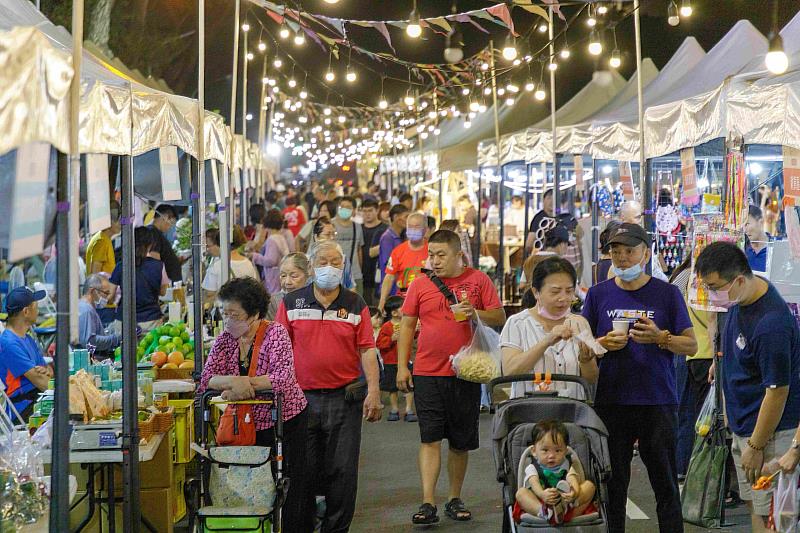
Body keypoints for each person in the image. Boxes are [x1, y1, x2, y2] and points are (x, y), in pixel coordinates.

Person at [581, 222, 696, 533]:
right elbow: (583, 344)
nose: (622, 258)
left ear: (646, 253)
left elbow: (692, 344)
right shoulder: (597, 295)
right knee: (613, 485)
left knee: (665, 485)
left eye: (629, 251)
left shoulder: (667, 294)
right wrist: (600, 345)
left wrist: (662, 338)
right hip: (612, 400)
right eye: (616, 252)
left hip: (656, 401)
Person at [397, 229, 506, 525]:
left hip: (467, 372)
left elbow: (499, 316)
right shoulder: (420, 284)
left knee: (460, 440)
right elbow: (407, 326)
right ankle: (427, 501)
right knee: (429, 437)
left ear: (459, 255)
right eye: (431, 255)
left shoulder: (479, 281)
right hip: (427, 371)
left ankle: (454, 498)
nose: (434, 260)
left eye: (441, 255)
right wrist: (401, 366)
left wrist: (475, 313)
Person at [276, 240, 383, 533]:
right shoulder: (291, 303)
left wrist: (374, 391)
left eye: (336, 262)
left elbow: (367, 349)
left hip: (344, 399)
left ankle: (336, 529)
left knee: (342, 470)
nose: (330, 267)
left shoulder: (355, 303)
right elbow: (281, 351)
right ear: (312, 266)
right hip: (300, 400)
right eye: (324, 261)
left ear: (344, 266)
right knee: (303, 471)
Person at [695, 242, 800, 533]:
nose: (712, 294)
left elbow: (777, 391)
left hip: (769, 435)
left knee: (775, 516)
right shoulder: (741, 300)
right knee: (756, 505)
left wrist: (755, 444)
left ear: (739, 279)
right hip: (744, 427)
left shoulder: (772, 324)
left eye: (715, 286)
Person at [198, 276, 311, 533]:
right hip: (246, 426)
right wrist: (235, 383)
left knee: (289, 479)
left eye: (234, 315)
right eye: (224, 313)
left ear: (254, 314)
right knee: (253, 479)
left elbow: (283, 378)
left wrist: (244, 384)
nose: (228, 320)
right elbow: (207, 379)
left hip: (285, 420)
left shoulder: (275, 334)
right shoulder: (225, 340)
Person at [502, 257, 598, 400]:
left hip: (572, 412)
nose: (563, 298)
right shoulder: (517, 324)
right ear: (536, 292)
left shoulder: (580, 323)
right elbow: (510, 371)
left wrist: (586, 360)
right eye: (555, 291)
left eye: (569, 291)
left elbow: (591, 379)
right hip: (528, 414)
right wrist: (548, 340)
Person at [668, 256, 715, 481]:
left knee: (686, 413)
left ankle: (681, 466)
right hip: (703, 354)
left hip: (687, 354)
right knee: (702, 417)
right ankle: (693, 468)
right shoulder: (703, 278)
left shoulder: (683, 276)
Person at [515, 420, 597, 525]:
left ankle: (564, 508)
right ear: (534, 451)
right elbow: (534, 482)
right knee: (521, 493)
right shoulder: (532, 468)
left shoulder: (566, 465)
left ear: (565, 451)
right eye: (545, 450)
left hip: (567, 501)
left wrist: (574, 493)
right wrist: (542, 494)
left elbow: (572, 479)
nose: (551, 456)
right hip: (541, 501)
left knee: (589, 486)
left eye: (557, 451)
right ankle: (544, 512)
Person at [0, 287, 51, 420]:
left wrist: (45, 372)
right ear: (26, 311)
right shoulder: (9, 343)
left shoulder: (27, 339)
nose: (38, 310)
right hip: (23, 410)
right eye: (36, 307)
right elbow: (43, 382)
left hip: (36, 399)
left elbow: (48, 372)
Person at [109, 226, 168, 332]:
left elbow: (110, 295)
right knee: (148, 348)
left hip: (124, 322)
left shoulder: (121, 266)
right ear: (150, 245)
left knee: (122, 349)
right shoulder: (159, 266)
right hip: (150, 321)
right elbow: (163, 292)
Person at [378, 212, 428, 311]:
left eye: (417, 227)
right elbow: (389, 277)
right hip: (403, 302)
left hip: (426, 300)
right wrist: (382, 301)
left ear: (425, 229)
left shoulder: (432, 250)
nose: (413, 230)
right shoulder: (398, 251)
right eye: (410, 227)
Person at [377, 295, 416, 422]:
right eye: (402, 307)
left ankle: (409, 409)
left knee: (409, 386)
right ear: (394, 313)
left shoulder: (409, 323)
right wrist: (391, 339)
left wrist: (417, 331)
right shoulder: (386, 327)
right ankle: (394, 409)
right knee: (392, 388)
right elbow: (379, 344)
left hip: (407, 360)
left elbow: (414, 337)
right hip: (390, 361)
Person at [85, 202, 121, 324]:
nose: (120, 224)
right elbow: (95, 275)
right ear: (109, 222)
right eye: (117, 220)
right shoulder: (101, 241)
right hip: (103, 306)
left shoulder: (104, 239)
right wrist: (104, 299)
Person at [202, 226, 259, 301]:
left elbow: (208, 295)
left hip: (226, 310)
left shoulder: (217, 266)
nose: (207, 249)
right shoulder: (248, 263)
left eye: (208, 246)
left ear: (220, 241)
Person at [78, 274, 121, 360]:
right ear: (93, 291)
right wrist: (116, 339)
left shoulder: (83, 307)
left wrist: (109, 330)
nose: (107, 297)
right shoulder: (87, 310)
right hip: (94, 358)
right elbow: (90, 342)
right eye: (105, 293)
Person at [249, 209, 291, 295]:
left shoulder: (272, 239)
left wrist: (255, 256)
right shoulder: (281, 237)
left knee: (274, 297)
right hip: (281, 273)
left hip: (273, 277)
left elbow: (270, 261)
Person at [332, 196, 365, 296]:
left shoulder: (357, 227)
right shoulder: (331, 225)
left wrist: (360, 269)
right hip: (334, 274)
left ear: (354, 210)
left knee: (356, 306)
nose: (344, 209)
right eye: (342, 207)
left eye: (348, 207)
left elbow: (359, 250)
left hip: (355, 273)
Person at [266, 253, 310, 321]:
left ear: (308, 275)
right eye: (283, 276)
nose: (287, 282)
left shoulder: (316, 299)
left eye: (294, 276)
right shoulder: (274, 302)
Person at [377, 204, 410, 296]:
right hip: (391, 288)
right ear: (395, 217)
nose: (408, 220)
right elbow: (388, 263)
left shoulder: (402, 237)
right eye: (406, 216)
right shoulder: (387, 237)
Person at [360, 199, 387, 307]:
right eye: (364, 211)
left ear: (377, 210)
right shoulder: (358, 229)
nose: (367, 214)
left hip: (380, 276)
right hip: (362, 275)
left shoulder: (385, 229)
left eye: (370, 210)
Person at [149, 204, 182, 283]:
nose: (170, 227)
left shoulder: (156, 233)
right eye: (172, 223)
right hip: (166, 285)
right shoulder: (153, 233)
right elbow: (154, 259)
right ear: (166, 217)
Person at [744, 205, 771, 272]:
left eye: (747, 224)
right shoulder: (744, 250)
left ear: (760, 222)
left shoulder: (774, 248)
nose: (744, 230)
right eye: (743, 225)